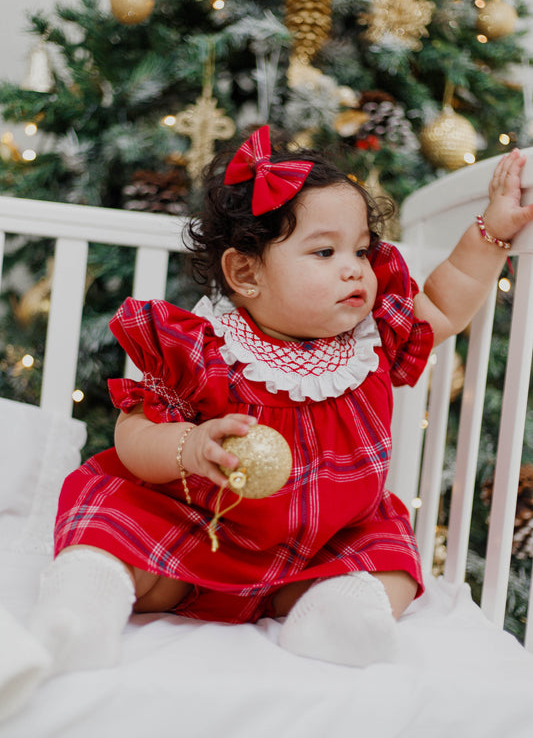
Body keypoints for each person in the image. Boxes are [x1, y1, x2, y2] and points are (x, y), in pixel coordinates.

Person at [13, 127, 533, 689]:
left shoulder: (372, 340)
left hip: (321, 544)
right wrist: (190, 446)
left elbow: (446, 300)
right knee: (115, 529)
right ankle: (85, 600)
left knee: (391, 559)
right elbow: (132, 435)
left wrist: (492, 232)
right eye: (325, 252)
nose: (355, 268)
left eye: (361, 250)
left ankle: (340, 613)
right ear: (245, 273)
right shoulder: (206, 349)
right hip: (200, 530)